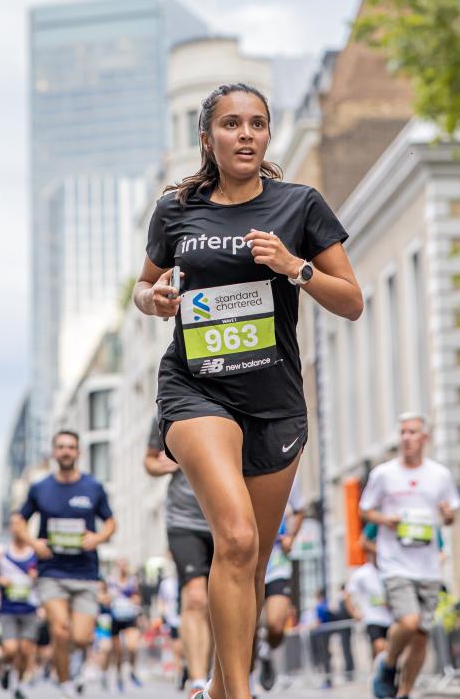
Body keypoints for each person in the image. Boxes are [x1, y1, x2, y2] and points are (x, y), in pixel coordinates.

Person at [134, 83, 362, 699]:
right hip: (195, 386)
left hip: (275, 400)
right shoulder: (176, 208)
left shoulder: (299, 206)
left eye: (257, 124)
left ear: (266, 136)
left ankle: (215, 684)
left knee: (252, 561)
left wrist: (296, 267)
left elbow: (352, 302)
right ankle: (239, 694)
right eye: (231, 124)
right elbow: (143, 285)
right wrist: (152, 299)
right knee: (234, 537)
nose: (245, 134)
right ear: (207, 138)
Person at [361, 413, 460, 699]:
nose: (406, 437)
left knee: (420, 636)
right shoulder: (384, 474)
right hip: (395, 564)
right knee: (409, 621)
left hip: (428, 566)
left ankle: (404, 693)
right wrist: (384, 519)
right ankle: (388, 663)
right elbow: (365, 510)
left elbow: (451, 515)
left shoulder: (440, 475)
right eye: (402, 432)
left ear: (424, 438)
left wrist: (448, 515)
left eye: (412, 432)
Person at [15, 429, 116, 699]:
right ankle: (65, 682)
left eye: (71, 447)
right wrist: (33, 543)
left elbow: (110, 522)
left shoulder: (93, 488)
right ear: (53, 452)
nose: (66, 451)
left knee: (81, 638)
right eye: (60, 447)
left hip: (85, 572)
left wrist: (97, 538)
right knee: (59, 630)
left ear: (78, 452)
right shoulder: (40, 488)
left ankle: (74, 662)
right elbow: (18, 519)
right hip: (52, 571)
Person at [145, 417, 213, 697]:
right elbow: (149, 460)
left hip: (226, 516)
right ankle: (197, 680)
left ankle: (222, 675)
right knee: (196, 597)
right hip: (184, 519)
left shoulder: (238, 390)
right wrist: (162, 465)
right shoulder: (171, 404)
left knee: (222, 600)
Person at [0, 512, 40, 699]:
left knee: (25, 651)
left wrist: (36, 577)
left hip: (30, 608)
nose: (17, 528)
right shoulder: (0, 552)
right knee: (10, 649)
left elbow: (46, 575)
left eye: (21, 524)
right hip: (8, 609)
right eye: (14, 524)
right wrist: (0, 580)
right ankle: (7, 668)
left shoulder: (35, 552)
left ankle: (18, 684)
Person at [257, 475, 304, 691]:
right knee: (246, 633)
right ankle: (246, 688)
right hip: (248, 562)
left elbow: (299, 509)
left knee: (276, 625)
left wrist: (291, 537)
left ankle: (265, 652)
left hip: (276, 563)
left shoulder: (286, 468)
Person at [344, 531, 392, 659]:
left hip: (391, 617)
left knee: (391, 650)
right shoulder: (363, 573)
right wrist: (354, 612)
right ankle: (381, 671)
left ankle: (384, 671)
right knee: (380, 646)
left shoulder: (390, 571)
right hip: (373, 618)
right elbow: (348, 593)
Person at [106, 559, 143, 690]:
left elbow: (138, 597)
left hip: (129, 617)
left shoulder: (132, 581)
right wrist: (109, 598)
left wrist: (134, 600)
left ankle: (132, 671)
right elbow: (105, 597)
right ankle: (119, 676)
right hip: (116, 618)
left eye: (124, 565)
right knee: (118, 651)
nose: (122, 567)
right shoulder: (111, 581)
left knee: (132, 646)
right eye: (120, 565)